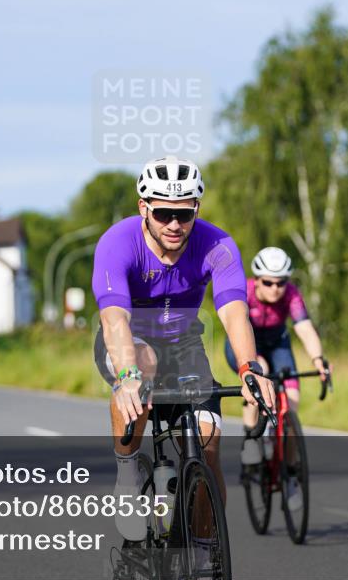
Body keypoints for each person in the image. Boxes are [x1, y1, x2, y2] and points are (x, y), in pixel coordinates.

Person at [92, 155, 275, 543]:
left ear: (197, 208)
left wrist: (249, 368)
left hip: (184, 344)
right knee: (143, 364)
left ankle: (206, 552)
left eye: (184, 213)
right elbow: (114, 320)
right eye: (162, 213)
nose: (174, 224)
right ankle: (127, 474)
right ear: (144, 208)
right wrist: (127, 377)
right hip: (129, 343)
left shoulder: (218, 244)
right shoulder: (117, 242)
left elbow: (235, 314)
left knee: (208, 448)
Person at [225, 246, 330, 505]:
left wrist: (319, 361)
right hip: (246, 343)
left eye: (281, 282)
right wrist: (251, 363)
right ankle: (251, 438)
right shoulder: (245, 292)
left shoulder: (292, 295)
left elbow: (304, 328)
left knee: (291, 402)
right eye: (268, 282)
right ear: (257, 279)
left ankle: (290, 474)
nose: (274, 288)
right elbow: (234, 325)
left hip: (277, 342)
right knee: (260, 374)